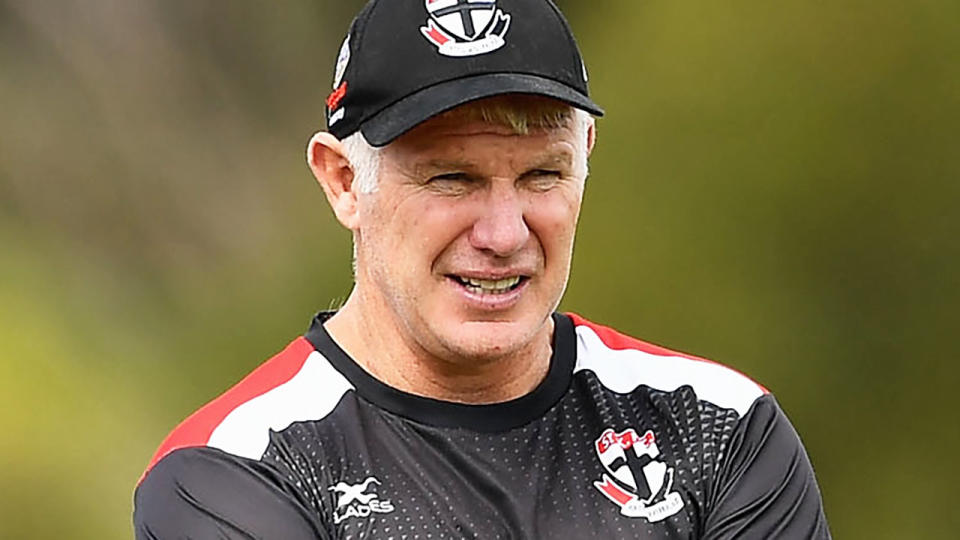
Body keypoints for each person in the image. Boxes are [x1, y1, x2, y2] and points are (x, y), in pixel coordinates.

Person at [133, 0, 831, 538]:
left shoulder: (717, 427)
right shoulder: (239, 470)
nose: (503, 234)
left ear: (588, 155)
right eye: (452, 179)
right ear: (344, 180)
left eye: (542, 175)